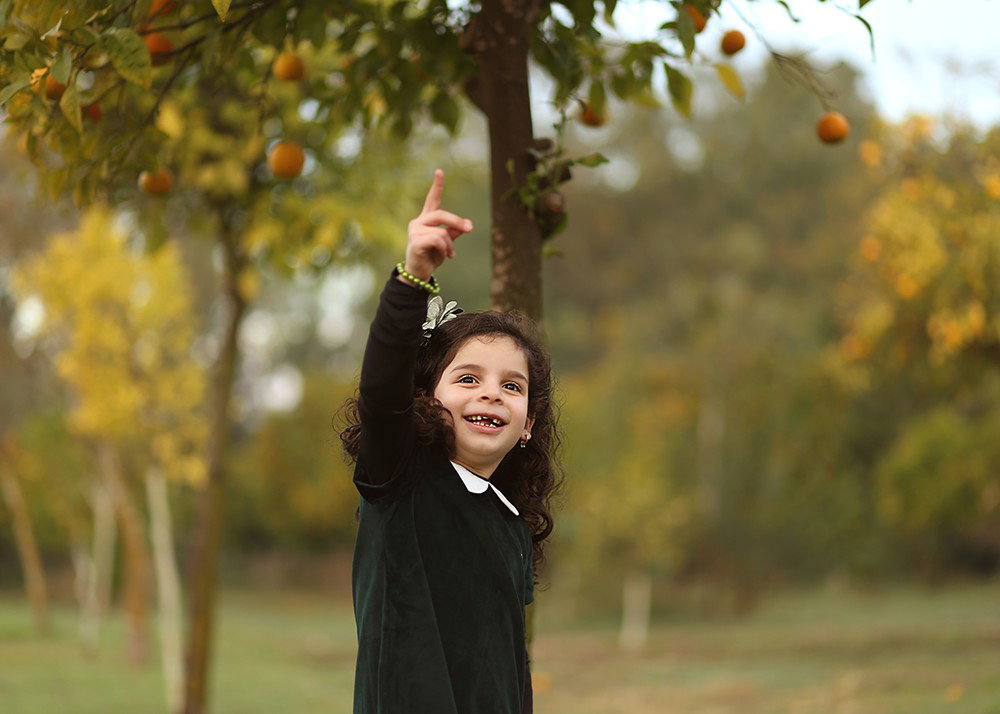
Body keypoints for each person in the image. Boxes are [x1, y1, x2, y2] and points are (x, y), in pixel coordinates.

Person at [339, 168, 562, 713]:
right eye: (468, 379)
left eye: (511, 387)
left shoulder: (509, 523)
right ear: (425, 398)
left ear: (528, 423)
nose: (490, 395)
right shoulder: (400, 480)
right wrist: (414, 277)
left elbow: (510, 672)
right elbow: (381, 385)